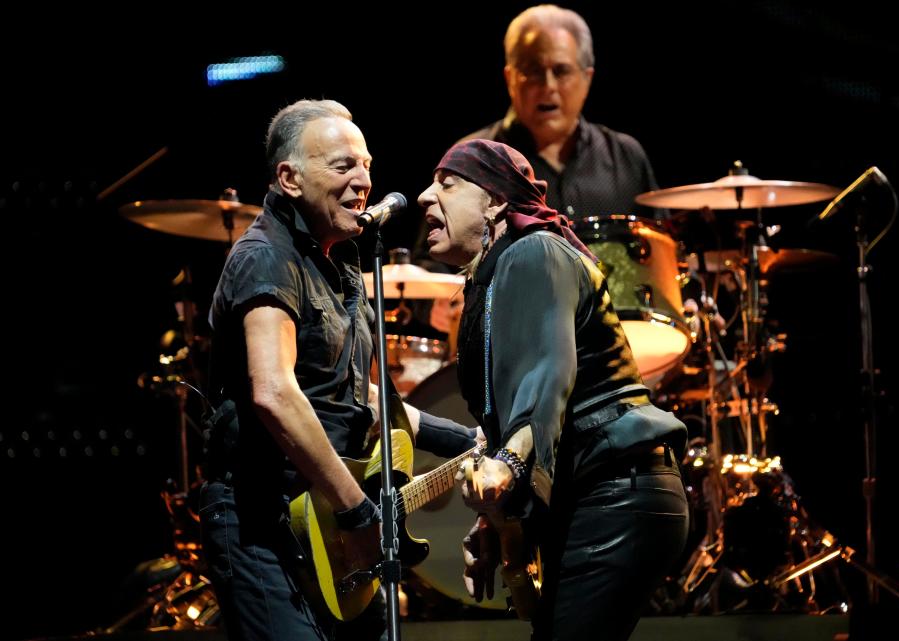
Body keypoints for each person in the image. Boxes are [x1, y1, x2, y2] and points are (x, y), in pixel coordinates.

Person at [199, 99, 477, 641]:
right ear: (290, 178)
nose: (364, 180)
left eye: (367, 165)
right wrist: (356, 512)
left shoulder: (339, 263)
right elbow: (274, 392)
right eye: (344, 165)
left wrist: (465, 438)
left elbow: (351, 396)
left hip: (321, 521)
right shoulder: (265, 257)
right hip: (263, 523)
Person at [418, 138, 689, 641]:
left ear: (496, 201)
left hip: (617, 495)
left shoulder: (535, 250)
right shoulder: (493, 278)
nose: (424, 198)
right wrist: (498, 524)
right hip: (604, 496)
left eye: (447, 183)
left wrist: (509, 465)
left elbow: (549, 374)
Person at [462, 4, 663, 220]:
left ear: (587, 80)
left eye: (561, 71)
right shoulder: (474, 160)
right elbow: (432, 253)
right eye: (534, 71)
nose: (548, 85)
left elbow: (665, 244)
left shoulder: (627, 156)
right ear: (510, 79)